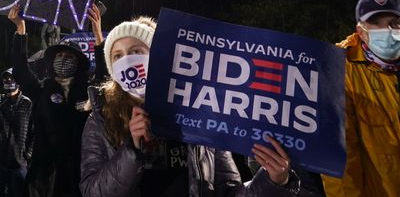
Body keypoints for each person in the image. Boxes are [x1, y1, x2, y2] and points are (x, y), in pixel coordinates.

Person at [80, 16, 304, 197]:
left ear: (159, 55)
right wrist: (132, 151)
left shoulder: (200, 114)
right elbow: (92, 191)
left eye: (136, 52)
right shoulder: (101, 118)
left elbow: (229, 191)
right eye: (117, 56)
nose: (127, 61)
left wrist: (275, 180)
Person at [321, 0, 400, 197]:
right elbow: (339, 156)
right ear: (361, 31)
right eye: (376, 23)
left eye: (394, 23)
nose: (388, 31)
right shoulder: (339, 68)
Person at [8, 6, 90, 197]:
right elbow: (20, 70)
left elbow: (105, 77)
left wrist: (98, 35)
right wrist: (20, 28)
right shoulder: (42, 90)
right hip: (45, 179)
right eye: (59, 55)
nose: (63, 59)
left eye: (69, 56)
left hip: (80, 174)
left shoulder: (88, 91)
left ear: (78, 63)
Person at [0, 68, 33, 197]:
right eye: (5, 79)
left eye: (11, 79)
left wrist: (28, 153)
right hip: (0, 160)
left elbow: (34, 131)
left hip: (19, 162)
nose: (8, 81)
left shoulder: (27, 103)